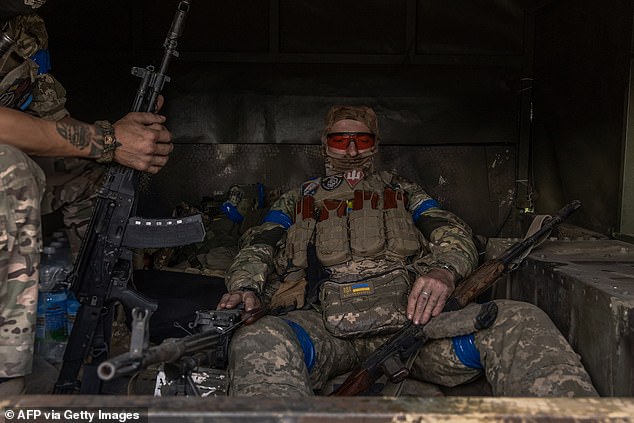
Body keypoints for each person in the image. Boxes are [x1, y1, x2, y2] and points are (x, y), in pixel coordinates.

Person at [218, 104, 598, 397]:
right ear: (324, 145)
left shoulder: (402, 192)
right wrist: (246, 285)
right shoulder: (299, 198)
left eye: (362, 140)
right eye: (340, 140)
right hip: (322, 331)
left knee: (520, 322)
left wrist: (444, 270)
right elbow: (259, 243)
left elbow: (452, 230)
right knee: (257, 338)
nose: (351, 150)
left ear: (375, 145)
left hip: (415, 329)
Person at [0, 1, 172, 395]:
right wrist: (108, 139)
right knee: (9, 167)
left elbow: (49, 124)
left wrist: (131, 139)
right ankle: (6, 380)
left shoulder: (25, 28)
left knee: (99, 179)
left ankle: (104, 335)